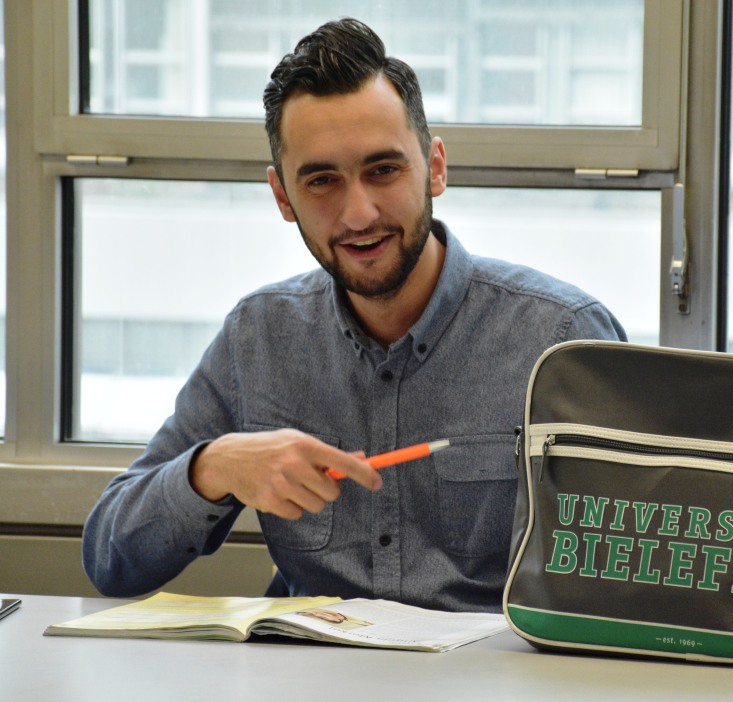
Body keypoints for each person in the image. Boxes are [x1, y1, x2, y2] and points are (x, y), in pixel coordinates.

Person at [82, 17, 626, 613]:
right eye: (321, 181)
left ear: (435, 167)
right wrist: (213, 468)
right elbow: (111, 561)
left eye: (383, 170)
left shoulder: (561, 339)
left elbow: (629, 578)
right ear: (283, 197)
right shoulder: (259, 337)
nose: (359, 213)